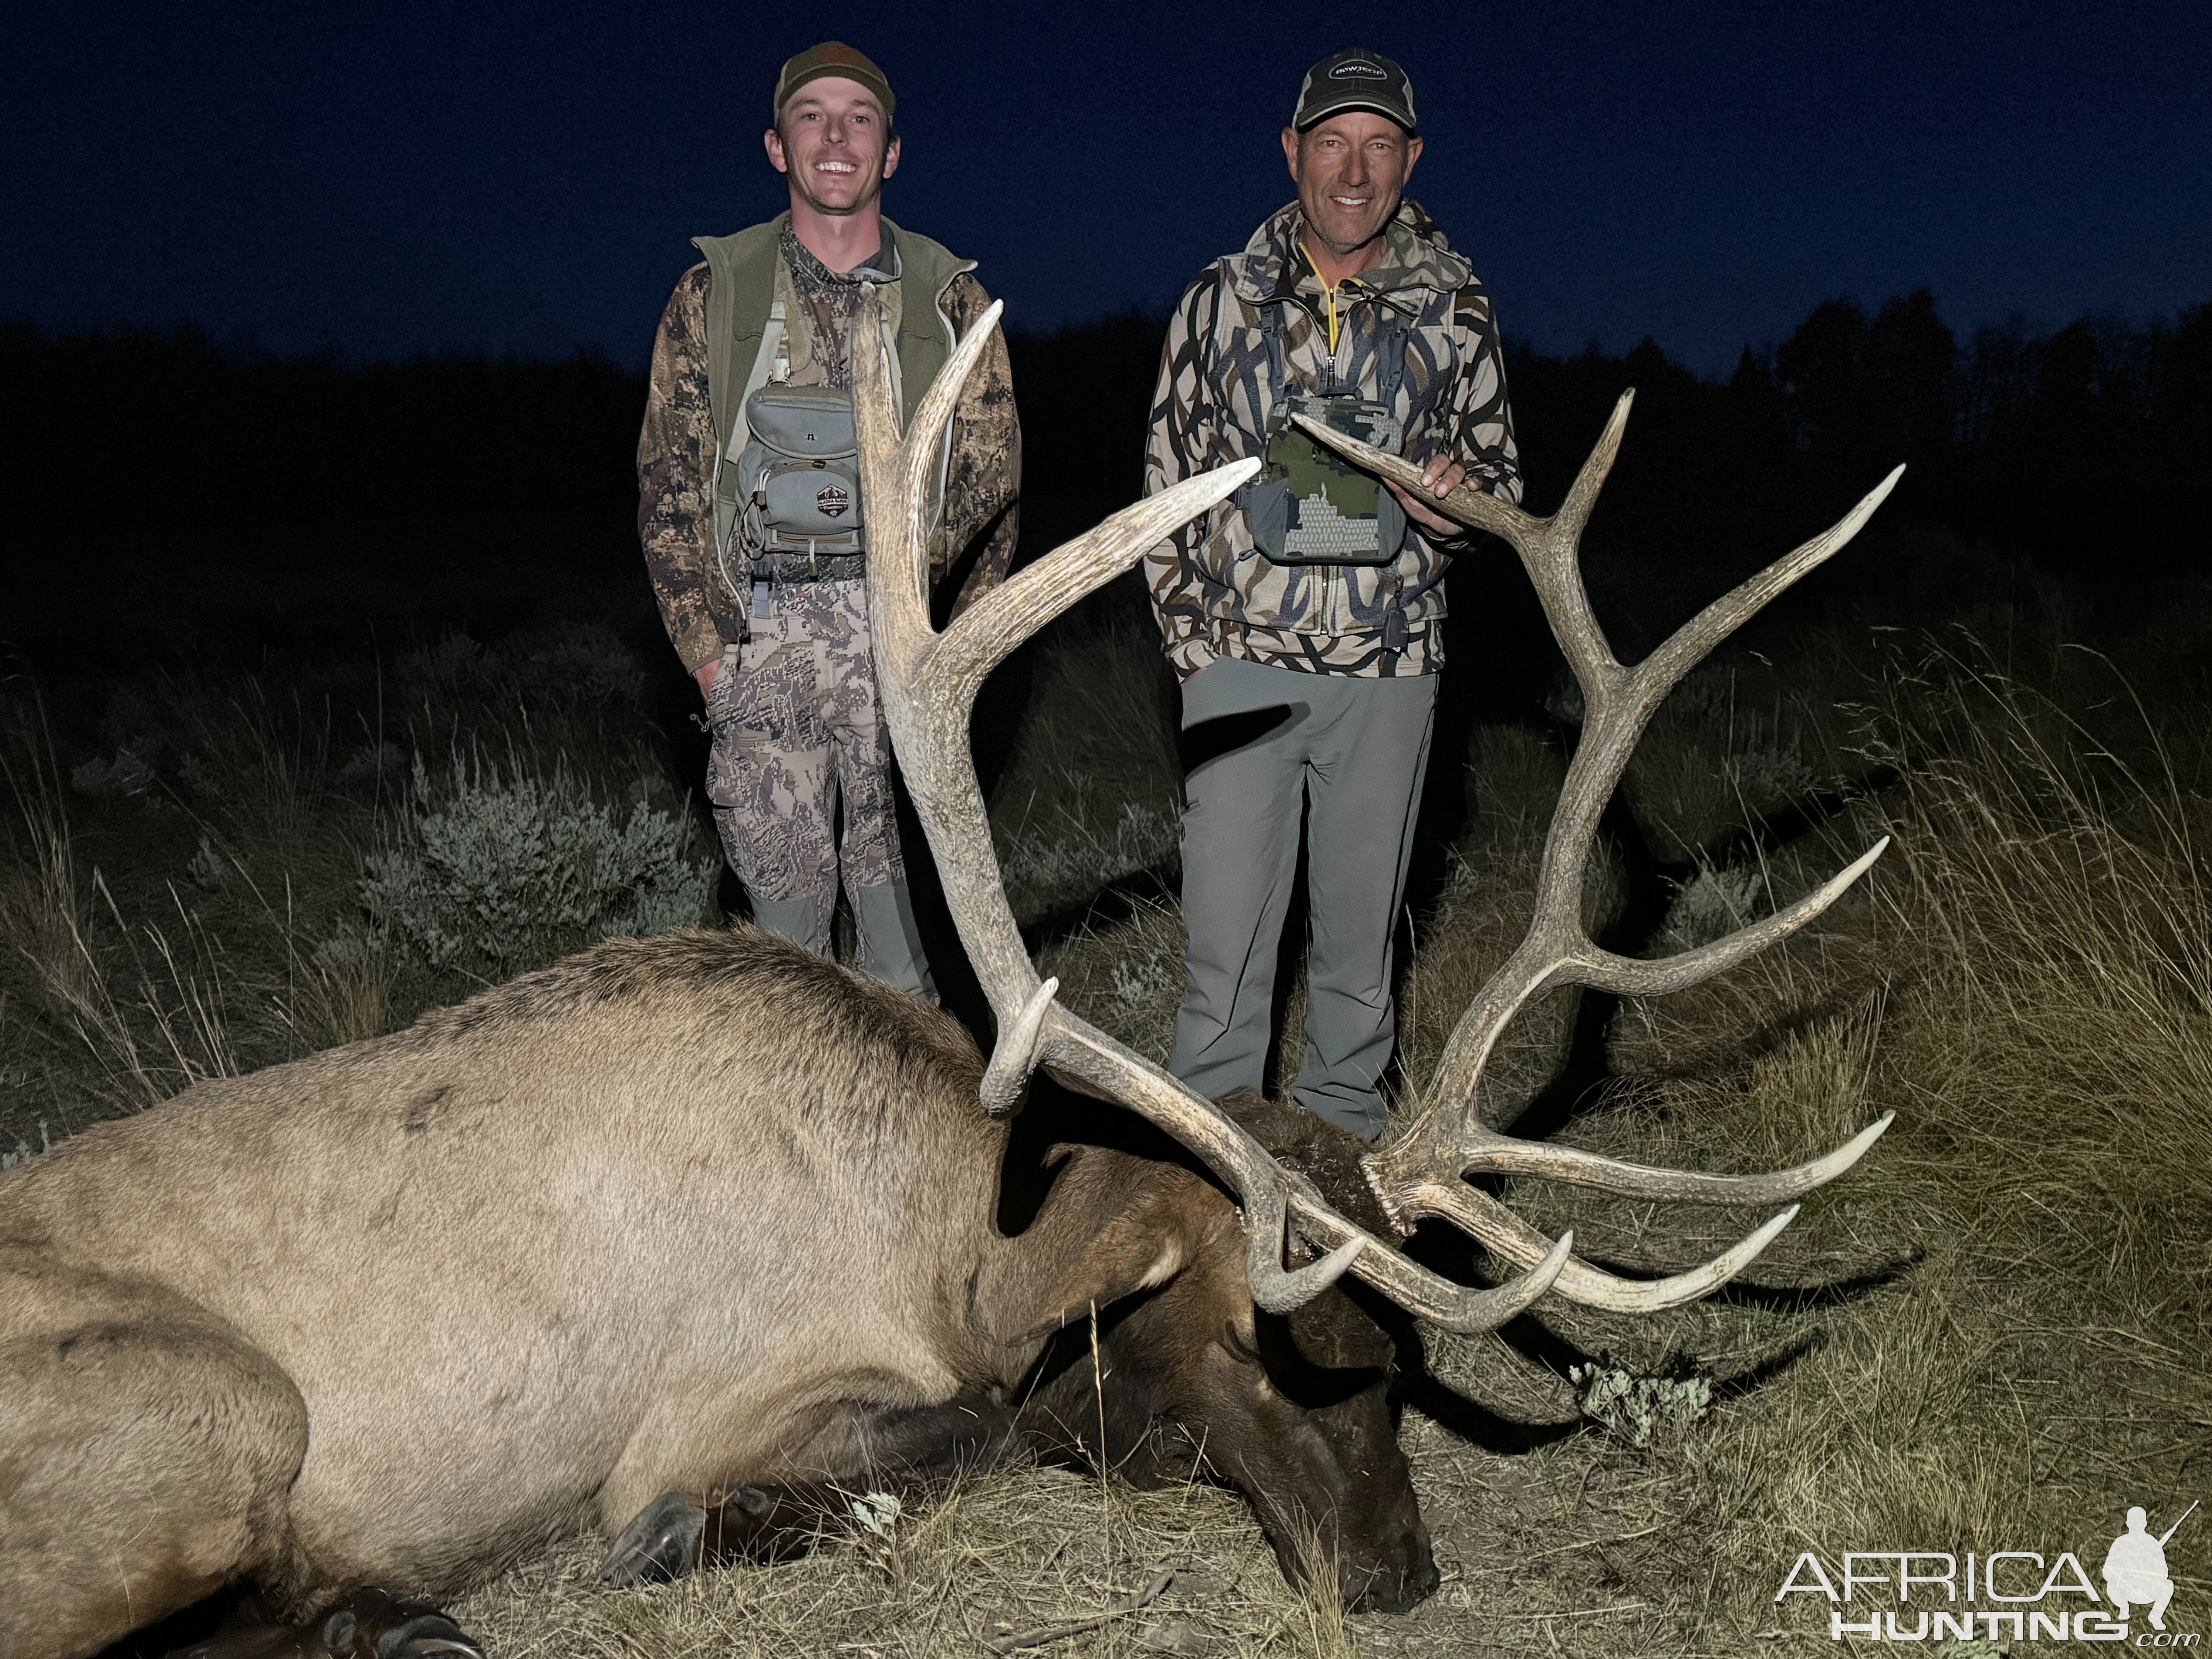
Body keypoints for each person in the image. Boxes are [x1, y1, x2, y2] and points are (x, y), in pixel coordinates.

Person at [1142, 48, 1521, 1138]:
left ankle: (1343, 1156)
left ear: (1410, 160)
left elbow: (1497, 482)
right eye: (1331, 143)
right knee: (1223, 945)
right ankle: (1210, 1156)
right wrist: (1194, 654)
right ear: (1291, 152)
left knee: (1358, 952)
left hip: (1391, 676)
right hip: (1240, 671)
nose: (1353, 171)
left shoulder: (1457, 305)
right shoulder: (1219, 299)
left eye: (1379, 146)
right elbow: (1164, 488)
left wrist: (1463, 512)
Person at [637, 41, 1020, 995]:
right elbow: (668, 487)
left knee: (906, 968)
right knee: (785, 967)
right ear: (778, 146)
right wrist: (710, 656)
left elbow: (993, 491)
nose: (837, 136)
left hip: (905, 648)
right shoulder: (712, 298)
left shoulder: (951, 297)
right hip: (761, 648)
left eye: (861, 118)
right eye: (813, 116)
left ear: (890, 152)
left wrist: (955, 656)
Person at [2102, 1506, 2177, 1630]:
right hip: (2125, 1590)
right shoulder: (2120, 1543)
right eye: (2134, 1522)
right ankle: (2123, 1608)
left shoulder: (2152, 1543)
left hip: (2147, 1591)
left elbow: (2164, 1573)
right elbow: (2107, 1571)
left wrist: (2148, 1572)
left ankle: (2156, 1617)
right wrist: (2121, 1574)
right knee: (2111, 1584)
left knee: (2168, 1585)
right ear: (2128, 1524)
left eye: (2139, 1522)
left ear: (2145, 1524)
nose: (2136, 1526)